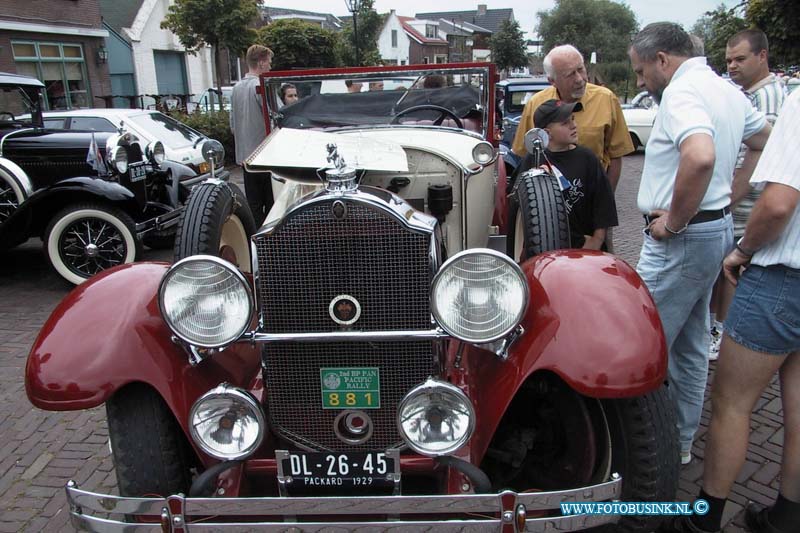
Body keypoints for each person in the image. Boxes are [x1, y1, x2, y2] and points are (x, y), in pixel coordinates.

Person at [628, 22, 771, 466]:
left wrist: (673, 222)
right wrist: (735, 190)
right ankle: (681, 442)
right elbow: (765, 139)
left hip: (684, 238)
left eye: (639, 71)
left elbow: (701, 156)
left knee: (641, 342)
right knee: (690, 345)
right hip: (715, 229)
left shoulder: (682, 94)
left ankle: (641, 451)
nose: (638, 82)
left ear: (662, 61)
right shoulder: (726, 90)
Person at [667, 89, 800, 533]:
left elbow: (779, 202)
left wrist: (741, 251)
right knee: (797, 407)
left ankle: (704, 520)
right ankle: (786, 514)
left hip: (784, 277)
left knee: (732, 405)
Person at [708, 29, 787, 360]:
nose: (732, 66)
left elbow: (759, 158)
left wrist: (728, 202)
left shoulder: (766, 98)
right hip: (742, 203)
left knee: (730, 269)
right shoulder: (748, 95)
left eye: (740, 59)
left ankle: (721, 332)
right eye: (728, 60)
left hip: (747, 206)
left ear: (762, 56)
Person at [511, 44, 633, 191]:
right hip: (548, 198)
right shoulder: (536, 104)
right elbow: (524, 155)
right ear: (552, 81)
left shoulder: (606, 99)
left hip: (592, 194)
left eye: (581, 69)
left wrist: (607, 198)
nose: (580, 79)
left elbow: (616, 156)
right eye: (570, 74)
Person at [513, 99, 617, 250]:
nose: (573, 125)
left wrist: (597, 240)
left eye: (573, 119)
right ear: (547, 133)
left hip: (585, 247)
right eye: (564, 123)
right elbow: (518, 207)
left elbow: (603, 202)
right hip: (547, 248)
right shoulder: (533, 160)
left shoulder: (587, 158)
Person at [230, 44, 274, 226]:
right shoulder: (262, 86)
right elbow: (275, 119)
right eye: (269, 62)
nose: (271, 66)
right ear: (262, 62)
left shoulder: (236, 89)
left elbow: (232, 125)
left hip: (246, 159)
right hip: (266, 157)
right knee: (272, 204)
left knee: (254, 204)